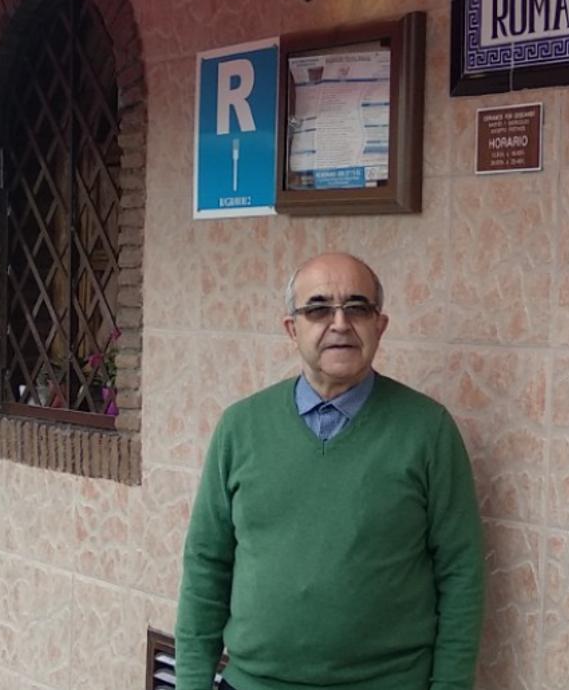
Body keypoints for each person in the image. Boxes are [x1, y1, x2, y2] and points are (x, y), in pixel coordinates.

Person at [175, 253, 484, 690]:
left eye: (357, 308)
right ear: (291, 328)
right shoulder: (239, 428)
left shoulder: (428, 430)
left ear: (380, 325)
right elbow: (207, 566)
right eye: (318, 309)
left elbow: (461, 572)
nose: (340, 323)